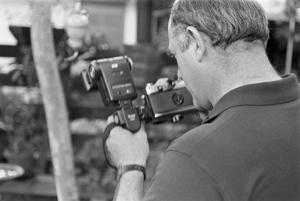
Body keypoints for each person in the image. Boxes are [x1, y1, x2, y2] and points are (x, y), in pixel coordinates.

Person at [104, 0, 300, 200]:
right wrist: (215, 117)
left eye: (175, 55)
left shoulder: (194, 158)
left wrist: (131, 167)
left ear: (196, 43)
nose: (179, 74)